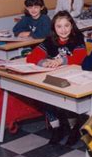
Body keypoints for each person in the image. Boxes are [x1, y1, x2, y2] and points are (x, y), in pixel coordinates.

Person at [26, 11, 87, 145]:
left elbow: (80, 57)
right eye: (59, 26)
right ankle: (56, 127)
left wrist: (61, 61)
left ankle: (73, 128)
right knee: (44, 94)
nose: (63, 30)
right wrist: (45, 62)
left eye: (66, 26)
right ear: (54, 28)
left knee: (68, 98)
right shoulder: (50, 40)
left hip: (75, 78)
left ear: (72, 26)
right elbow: (32, 57)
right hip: (56, 77)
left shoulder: (77, 38)